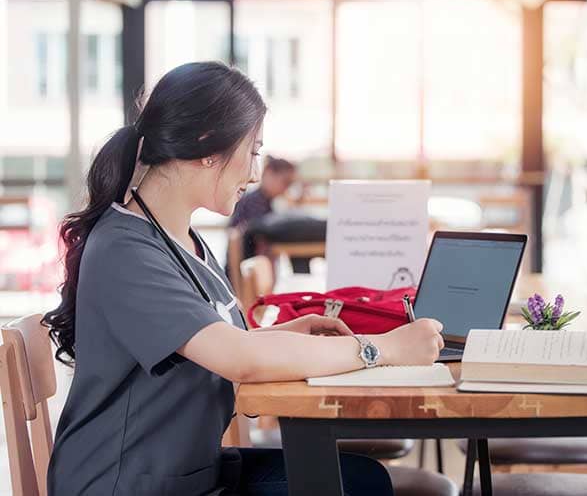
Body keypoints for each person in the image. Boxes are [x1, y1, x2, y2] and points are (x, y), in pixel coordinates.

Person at [43, 62, 444, 496]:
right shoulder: (126, 250)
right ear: (207, 146)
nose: (254, 174)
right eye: (252, 151)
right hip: (125, 484)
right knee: (353, 487)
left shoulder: (181, 239)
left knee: (361, 479)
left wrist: (288, 334)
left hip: (182, 471)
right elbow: (240, 359)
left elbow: (225, 343)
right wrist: (381, 348)